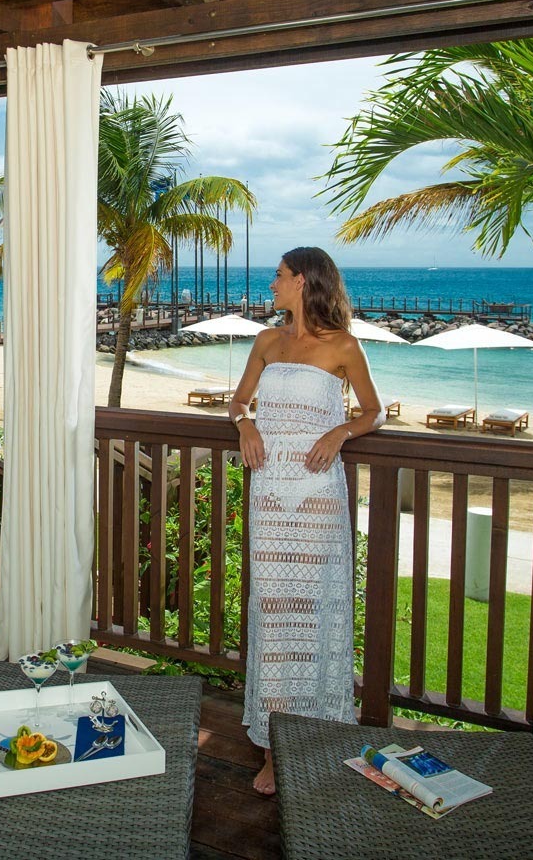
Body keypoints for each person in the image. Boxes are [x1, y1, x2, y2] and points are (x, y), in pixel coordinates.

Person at [227, 247, 384, 796]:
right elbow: (238, 402)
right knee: (273, 619)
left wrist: (340, 431)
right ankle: (272, 750)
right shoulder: (268, 341)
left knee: (315, 614)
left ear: (302, 281)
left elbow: (373, 410)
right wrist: (245, 426)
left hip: (317, 495)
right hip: (270, 492)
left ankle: (317, 740)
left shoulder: (343, 345)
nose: (272, 283)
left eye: (278, 276)